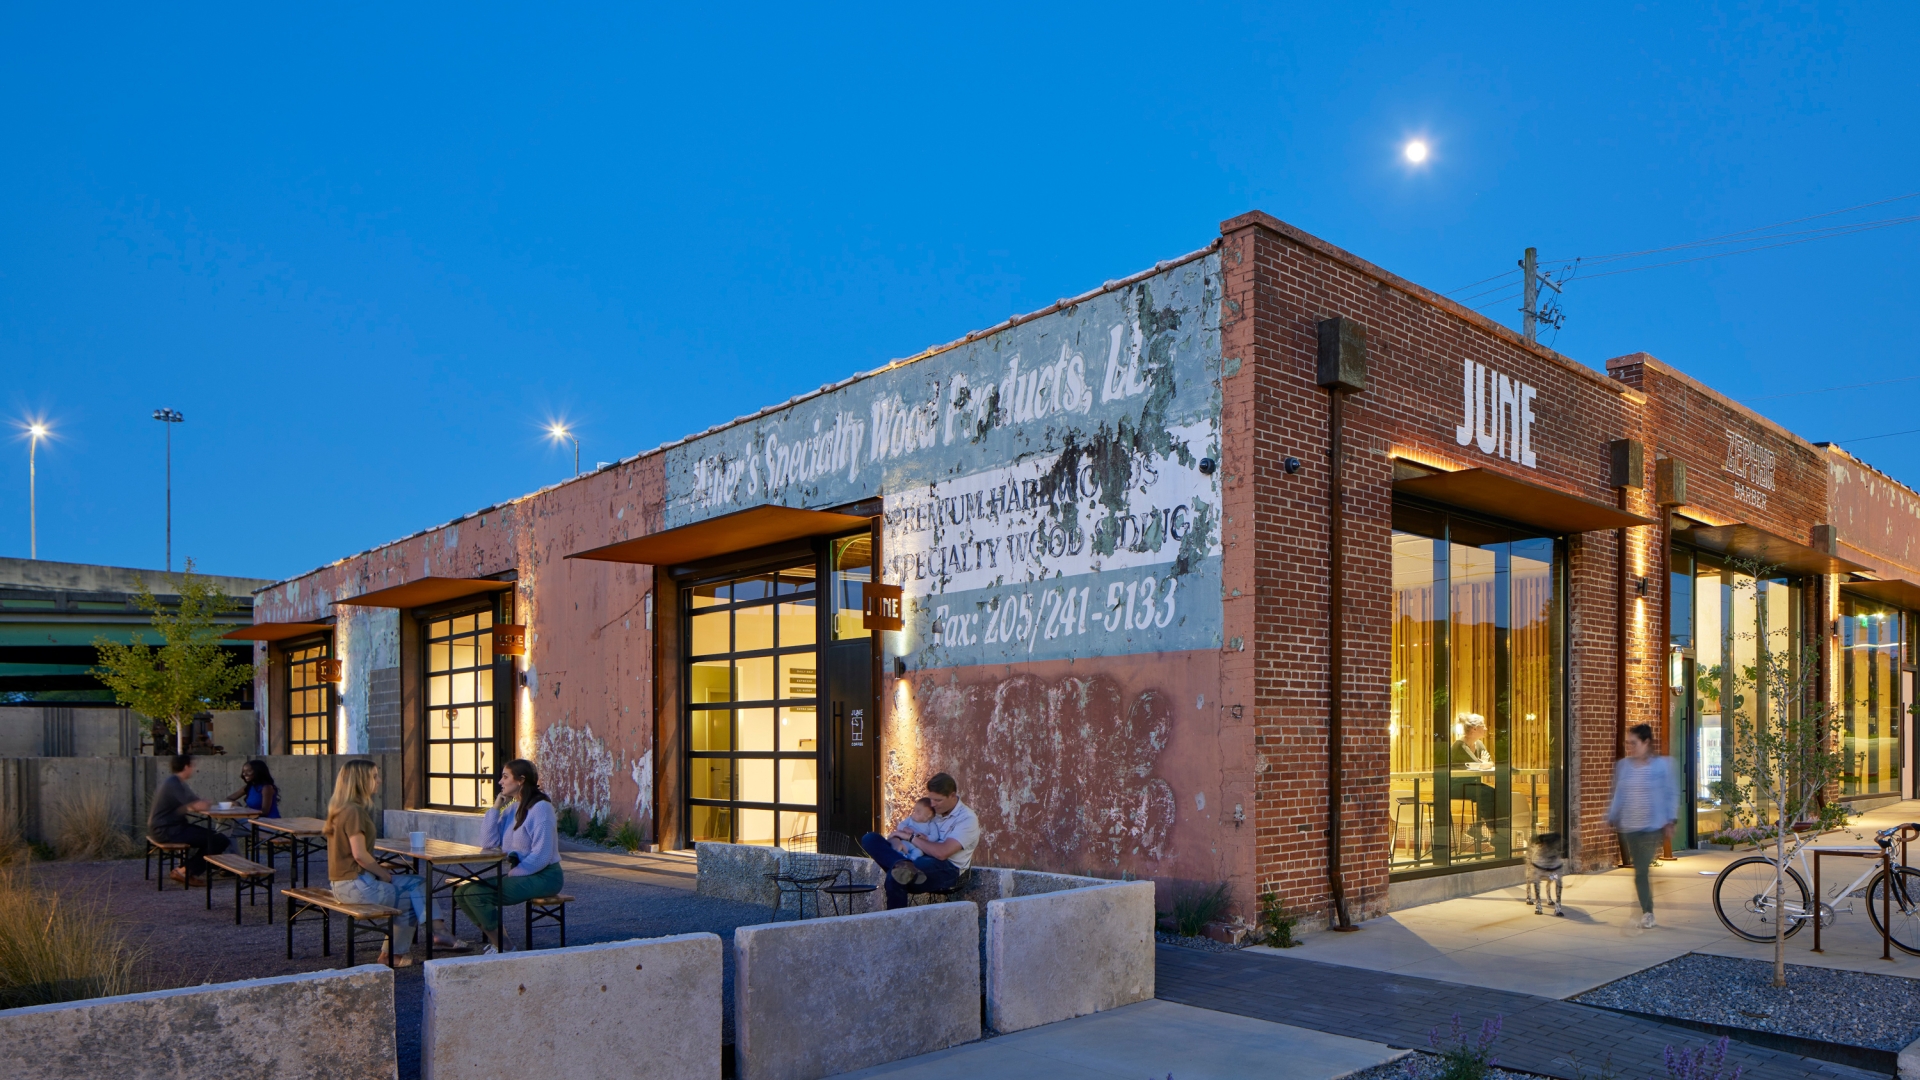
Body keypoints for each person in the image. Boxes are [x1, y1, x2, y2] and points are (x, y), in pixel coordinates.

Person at [324, 759, 454, 966]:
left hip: (343, 884)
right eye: (374, 777)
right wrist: (384, 874)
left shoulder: (342, 809)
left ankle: (435, 934)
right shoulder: (354, 811)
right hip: (356, 886)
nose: (379, 781)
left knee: (416, 882)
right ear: (360, 781)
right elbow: (359, 855)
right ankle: (396, 953)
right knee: (412, 899)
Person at [455, 759, 563, 954]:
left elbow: (543, 854)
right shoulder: (512, 809)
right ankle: (499, 944)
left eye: (505, 777)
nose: (500, 782)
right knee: (461, 893)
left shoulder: (541, 808)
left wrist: (516, 872)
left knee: (476, 894)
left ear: (521, 780)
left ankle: (505, 948)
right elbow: (488, 842)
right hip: (525, 872)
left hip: (545, 876)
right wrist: (496, 807)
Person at [859, 772, 981, 909]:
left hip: (947, 868)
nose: (933, 804)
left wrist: (911, 838)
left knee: (897, 875)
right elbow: (897, 834)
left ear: (952, 796)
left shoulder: (967, 819)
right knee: (870, 839)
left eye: (938, 800)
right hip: (913, 857)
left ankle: (896, 924)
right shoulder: (931, 809)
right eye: (931, 799)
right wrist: (897, 841)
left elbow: (942, 853)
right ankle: (901, 863)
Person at [1606, 722, 1679, 929]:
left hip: (1651, 826)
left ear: (1646, 743)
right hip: (1629, 826)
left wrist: (1671, 819)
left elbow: (1671, 793)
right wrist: (1610, 817)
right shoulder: (1624, 766)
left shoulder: (1663, 765)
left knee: (1640, 871)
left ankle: (1648, 913)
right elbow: (1618, 794)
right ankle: (1646, 905)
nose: (1629, 747)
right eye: (1627, 743)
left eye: (1633, 743)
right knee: (1639, 870)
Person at [148, 753, 228, 886]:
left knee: (215, 838)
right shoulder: (174, 784)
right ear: (186, 767)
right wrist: (206, 802)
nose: (194, 769)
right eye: (192, 766)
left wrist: (199, 803)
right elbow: (197, 805)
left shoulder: (175, 782)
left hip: (169, 828)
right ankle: (185, 871)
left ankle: (186, 870)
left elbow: (193, 802)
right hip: (167, 830)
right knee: (219, 840)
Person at [1449, 717, 1498, 849]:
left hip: (1472, 784)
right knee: (1487, 793)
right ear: (1474, 729)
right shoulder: (1459, 746)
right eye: (1483, 725)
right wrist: (1482, 763)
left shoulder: (1479, 744)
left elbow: (1489, 763)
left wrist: (1482, 764)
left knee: (1492, 793)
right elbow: (1479, 766)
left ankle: (1477, 829)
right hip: (1455, 786)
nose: (1486, 728)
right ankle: (1492, 834)